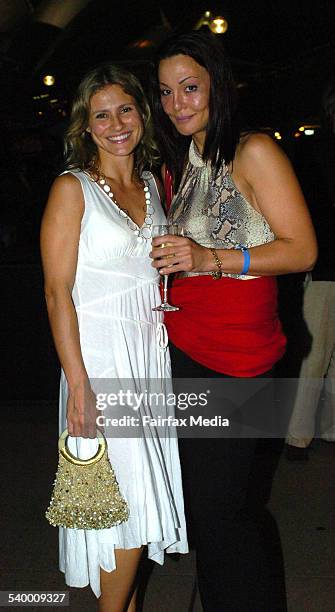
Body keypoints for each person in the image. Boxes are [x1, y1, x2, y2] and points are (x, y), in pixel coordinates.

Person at [150, 31, 317, 611]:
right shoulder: (192, 157)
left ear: (219, 85)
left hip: (237, 358)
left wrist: (206, 259)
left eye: (190, 87)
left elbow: (301, 250)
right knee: (216, 509)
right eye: (167, 92)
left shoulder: (254, 150)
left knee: (220, 514)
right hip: (193, 349)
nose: (178, 104)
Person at [40, 63, 188, 612]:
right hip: (100, 359)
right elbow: (58, 294)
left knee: (130, 502)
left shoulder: (151, 185)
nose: (116, 123)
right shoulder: (71, 189)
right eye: (101, 115)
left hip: (147, 355)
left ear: (142, 116)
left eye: (125, 109)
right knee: (122, 500)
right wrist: (79, 386)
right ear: (86, 126)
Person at [285, 79, 335, 459]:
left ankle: (330, 429)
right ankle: (297, 436)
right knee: (315, 355)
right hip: (325, 267)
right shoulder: (316, 151)